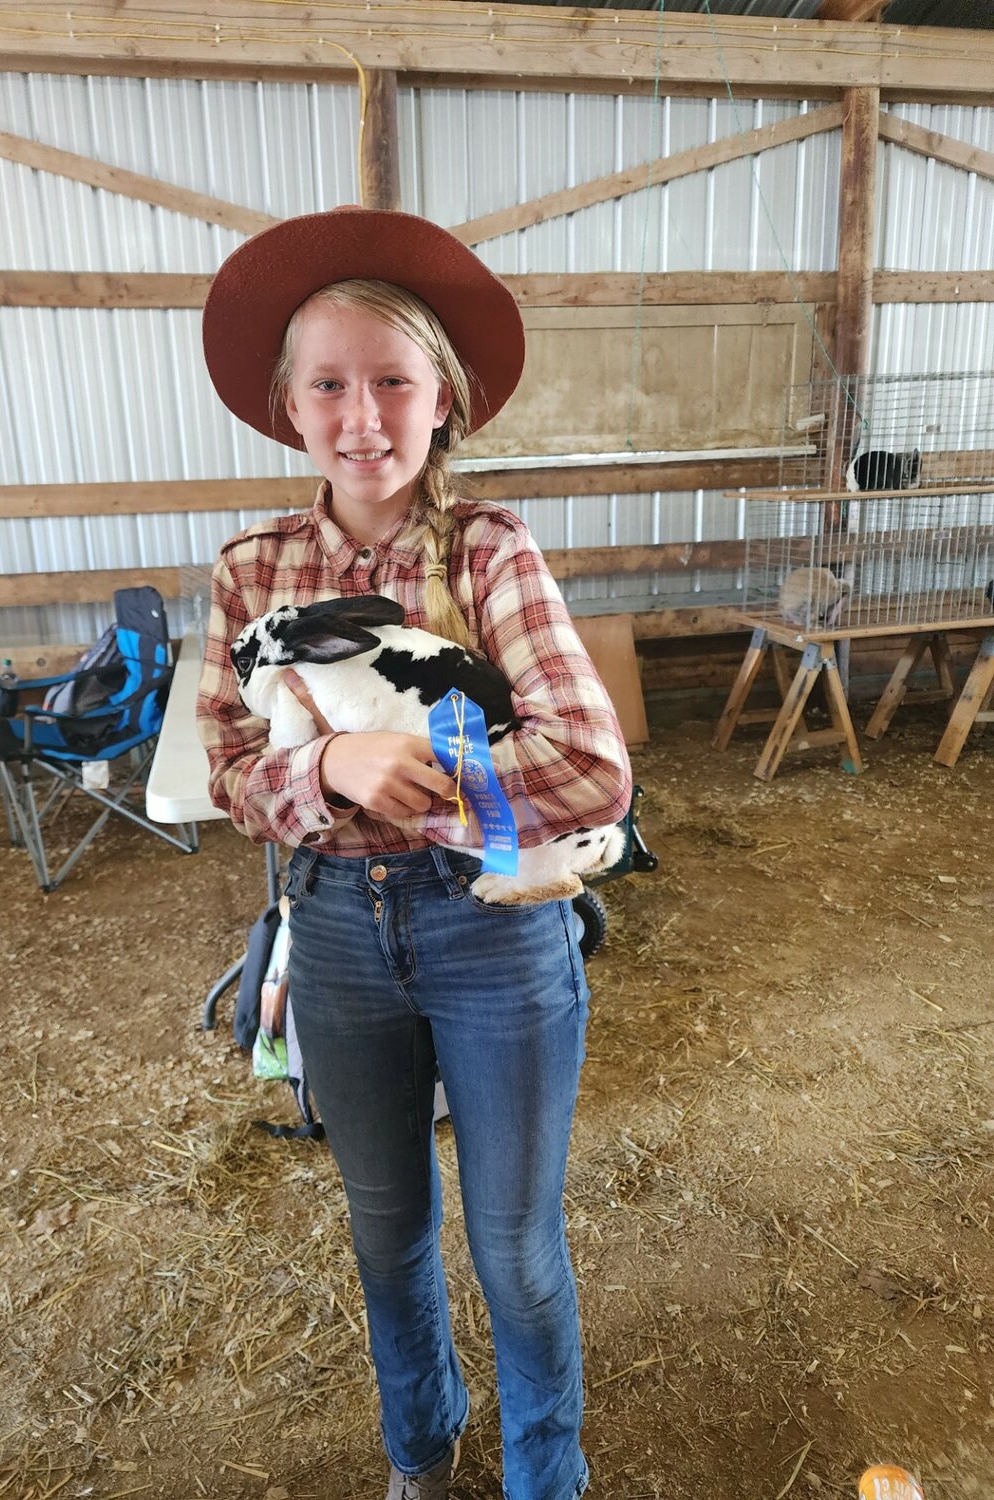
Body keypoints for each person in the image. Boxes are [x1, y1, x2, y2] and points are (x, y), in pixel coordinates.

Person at [196, 207, 631, 1500]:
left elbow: (593, 764)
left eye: (392, 381)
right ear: (288, 407)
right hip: (330, 928)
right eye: (329, 384)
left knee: (513, 1245)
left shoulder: (485, 553)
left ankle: (543, 1477)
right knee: (385, 1230)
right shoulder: (252, 571)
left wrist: (431, 790)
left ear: (444, 402)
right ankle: (420, 1455)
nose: (362, 415)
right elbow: (225, 765)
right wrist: (328, 767)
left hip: (490, 926)